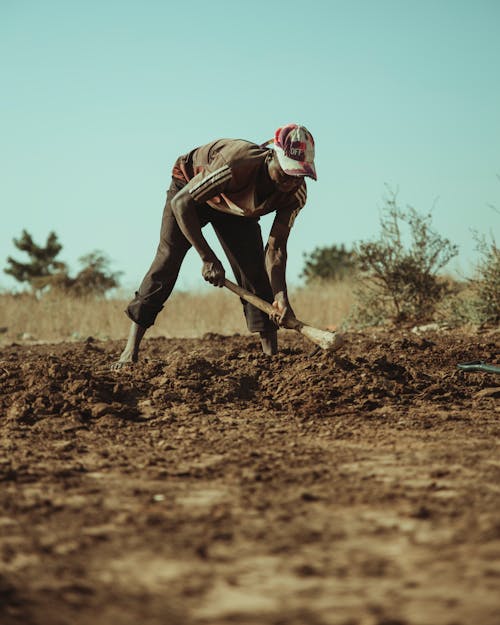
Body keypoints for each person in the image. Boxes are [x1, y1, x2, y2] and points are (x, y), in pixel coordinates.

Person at [113, 123, 317, 367]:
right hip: (189, 193)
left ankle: (271, 358)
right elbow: (181, 204)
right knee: (168, 259)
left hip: (235, 209)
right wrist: (207, 258)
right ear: (271, 155)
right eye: (285, 172)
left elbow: (276, 249)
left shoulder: (295, 195)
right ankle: (130, 350)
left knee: (254, 272)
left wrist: (280, 296)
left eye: (297, 175)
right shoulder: (235, 164)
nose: (290, 181)